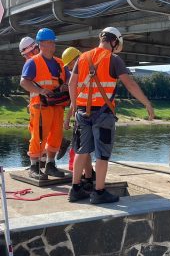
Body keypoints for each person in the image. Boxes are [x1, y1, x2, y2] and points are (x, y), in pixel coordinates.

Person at [68, 26, 155, 204]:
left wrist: (75, 106)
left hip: (82, 112)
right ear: (114, 41)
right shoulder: (114, 59)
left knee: (81, 151)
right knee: (102, 154)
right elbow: (130, 85)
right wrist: (147, 103)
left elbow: (71, 84)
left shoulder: (83, 57)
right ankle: (99, 192)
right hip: (103, 114)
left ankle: (75, 189)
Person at [20, 28, 68, 180]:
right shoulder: (32, 62)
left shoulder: (60, 63)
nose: (53, 45)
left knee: (56, 135)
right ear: (41, 44)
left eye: (53, 42)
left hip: (57, 105)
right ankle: (34, 166)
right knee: (39, 136)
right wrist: (41, 91)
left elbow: (69, 79)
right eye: (49, 42)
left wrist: (65, 86)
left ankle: (50, 165)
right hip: (40, 106)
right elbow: (24, 82)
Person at [62, 47, 95, 185]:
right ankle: (89, 175)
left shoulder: (81, 74)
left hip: (86, 114)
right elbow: (74, 100)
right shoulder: (87, 71)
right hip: (88, 113)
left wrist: (67, 118)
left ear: (76, 59)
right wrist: (68, 117)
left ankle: (87, 176)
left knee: (83, 148)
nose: (69, 68)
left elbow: (74, 101)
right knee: (84, 149)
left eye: (70, 64)